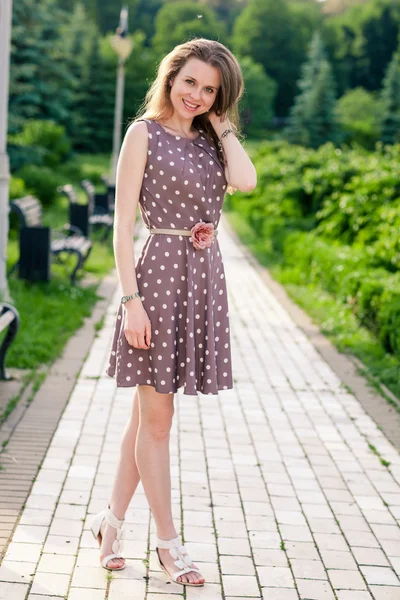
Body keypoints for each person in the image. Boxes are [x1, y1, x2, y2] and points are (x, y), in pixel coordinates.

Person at [90, 37, 257, 587]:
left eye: (210, 89)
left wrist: (224, 122)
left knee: (146, 421)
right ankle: (168, 544)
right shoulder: (142, 134)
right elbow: (120, 228)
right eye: (190, 81)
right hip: (157, 280)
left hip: (202, 281)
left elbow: (246, 181)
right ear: (170, 76)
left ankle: (108, 527)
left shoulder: (213, 138)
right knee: (157, 424)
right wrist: (130, 302)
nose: (197, 95)